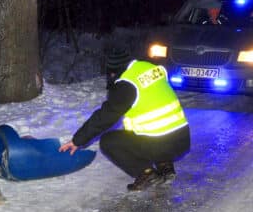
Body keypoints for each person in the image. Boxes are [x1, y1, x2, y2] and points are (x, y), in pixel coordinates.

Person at [59, 50, 191, 191]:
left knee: (109, 141)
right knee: (149, 130)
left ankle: (147, 173)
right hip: (182, 140)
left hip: (160, 144)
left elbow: (105, 117)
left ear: (115, 71)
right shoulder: (148, 67)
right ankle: (165, 167)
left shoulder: (127, 84)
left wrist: (77, 140)